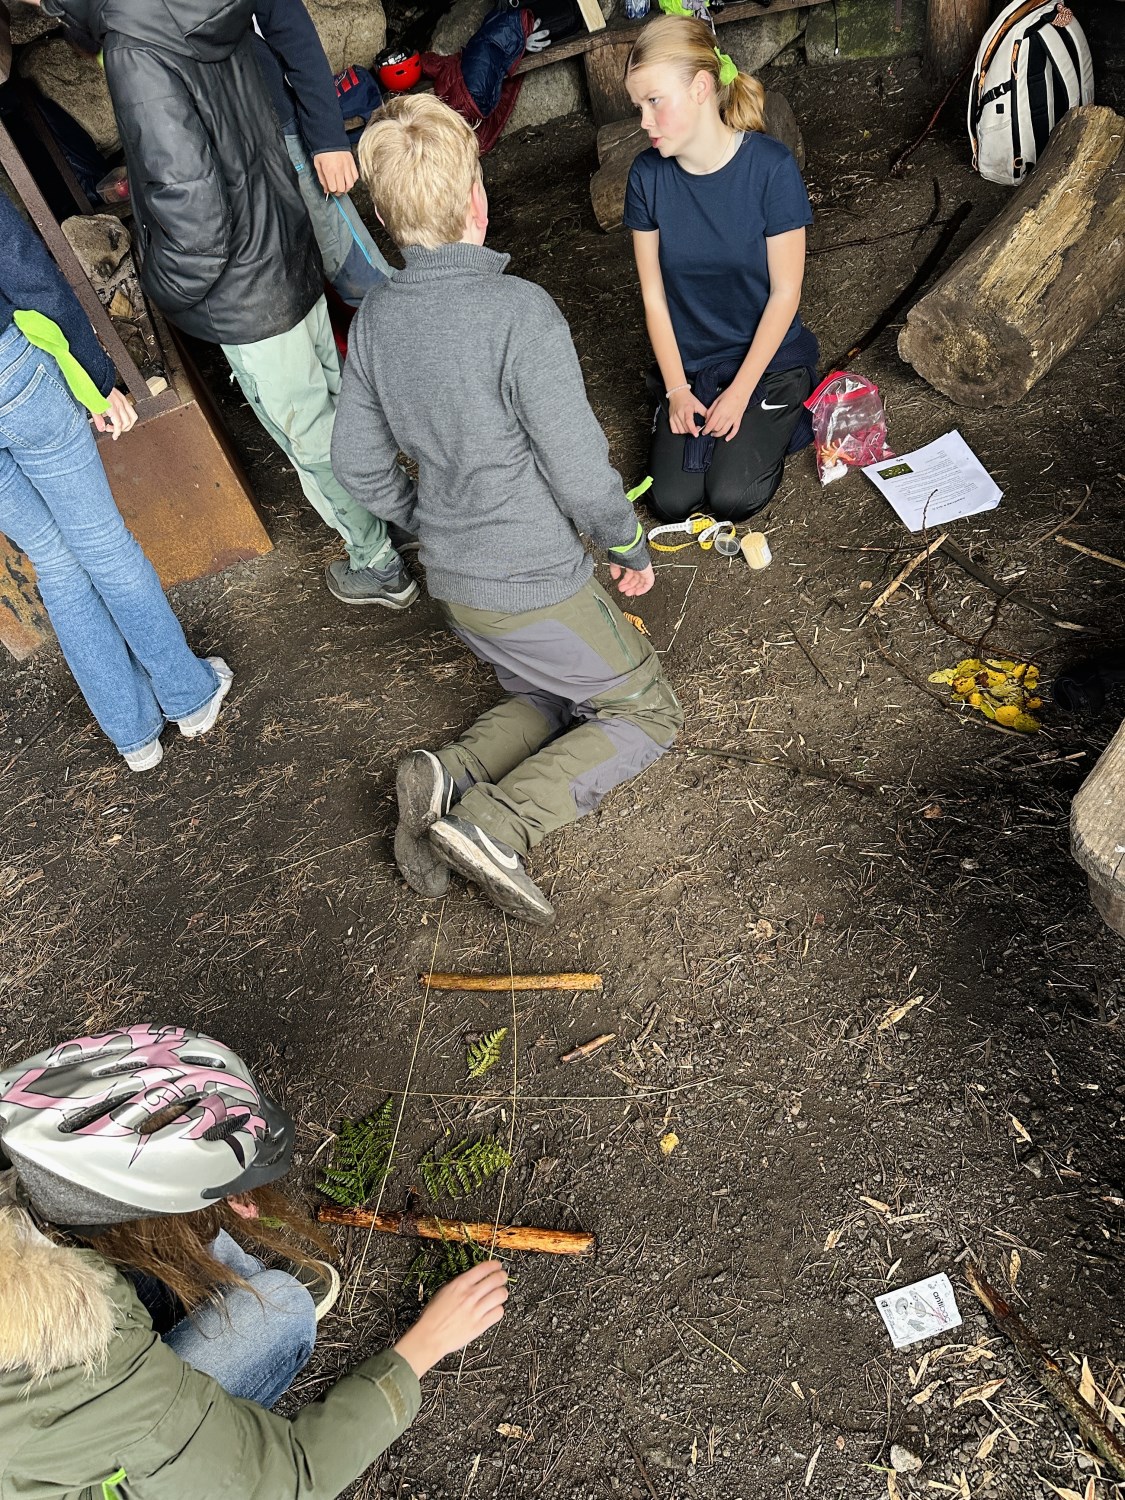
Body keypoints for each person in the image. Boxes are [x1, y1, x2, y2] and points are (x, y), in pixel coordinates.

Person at [333, 95, 683, 928]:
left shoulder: (378, 317)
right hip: (534, 584)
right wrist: (625, 543)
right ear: (476, 199)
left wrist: (425, 520)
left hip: (457, 586)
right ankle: (495, 825)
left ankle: (450, 774)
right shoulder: (519, 311)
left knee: (550, 694)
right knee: (644, 711)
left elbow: (353, 462)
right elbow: (577, 466)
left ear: (385, 219)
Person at [0, 1024, 509, 1499]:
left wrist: (200, 1202)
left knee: (215, 1255)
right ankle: (259, 1308)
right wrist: (424, 1346)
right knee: (283, 1306)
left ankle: (230, 1291)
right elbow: (292, 1477)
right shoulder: (107, 1389)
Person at [31, 0, 415, 610]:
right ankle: (399, 512)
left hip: (243, 288)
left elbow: (193, 211)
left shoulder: (133, 50)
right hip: (284, 239)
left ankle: (379, 563)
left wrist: (164, 288)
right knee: (338, 395)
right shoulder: (207, 7)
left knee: (310, 433)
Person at [0, 194, 230, 771]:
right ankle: (189, 698)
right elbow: (30, 276)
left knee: (54, 563)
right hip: (11, 378)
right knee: (102, 544)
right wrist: (98, 377)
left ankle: (135, 737)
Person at [623, 15, 818, 524]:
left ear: (701, 88)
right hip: (691, 367)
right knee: (671, 500)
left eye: (654, 101)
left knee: (733, 496)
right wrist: (675, 390)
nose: (644, 121)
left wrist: (741, 392)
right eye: (638, 106)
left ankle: (780, 404)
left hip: (767, 362)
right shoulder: (646, 176)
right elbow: (653, 297)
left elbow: (786, 293)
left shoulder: (771, 168)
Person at [252, 0, 395, 308]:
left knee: (359, 275)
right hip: (211, 152)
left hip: (274, 123)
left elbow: (291, 28)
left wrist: (327, 139)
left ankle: (410, 321)